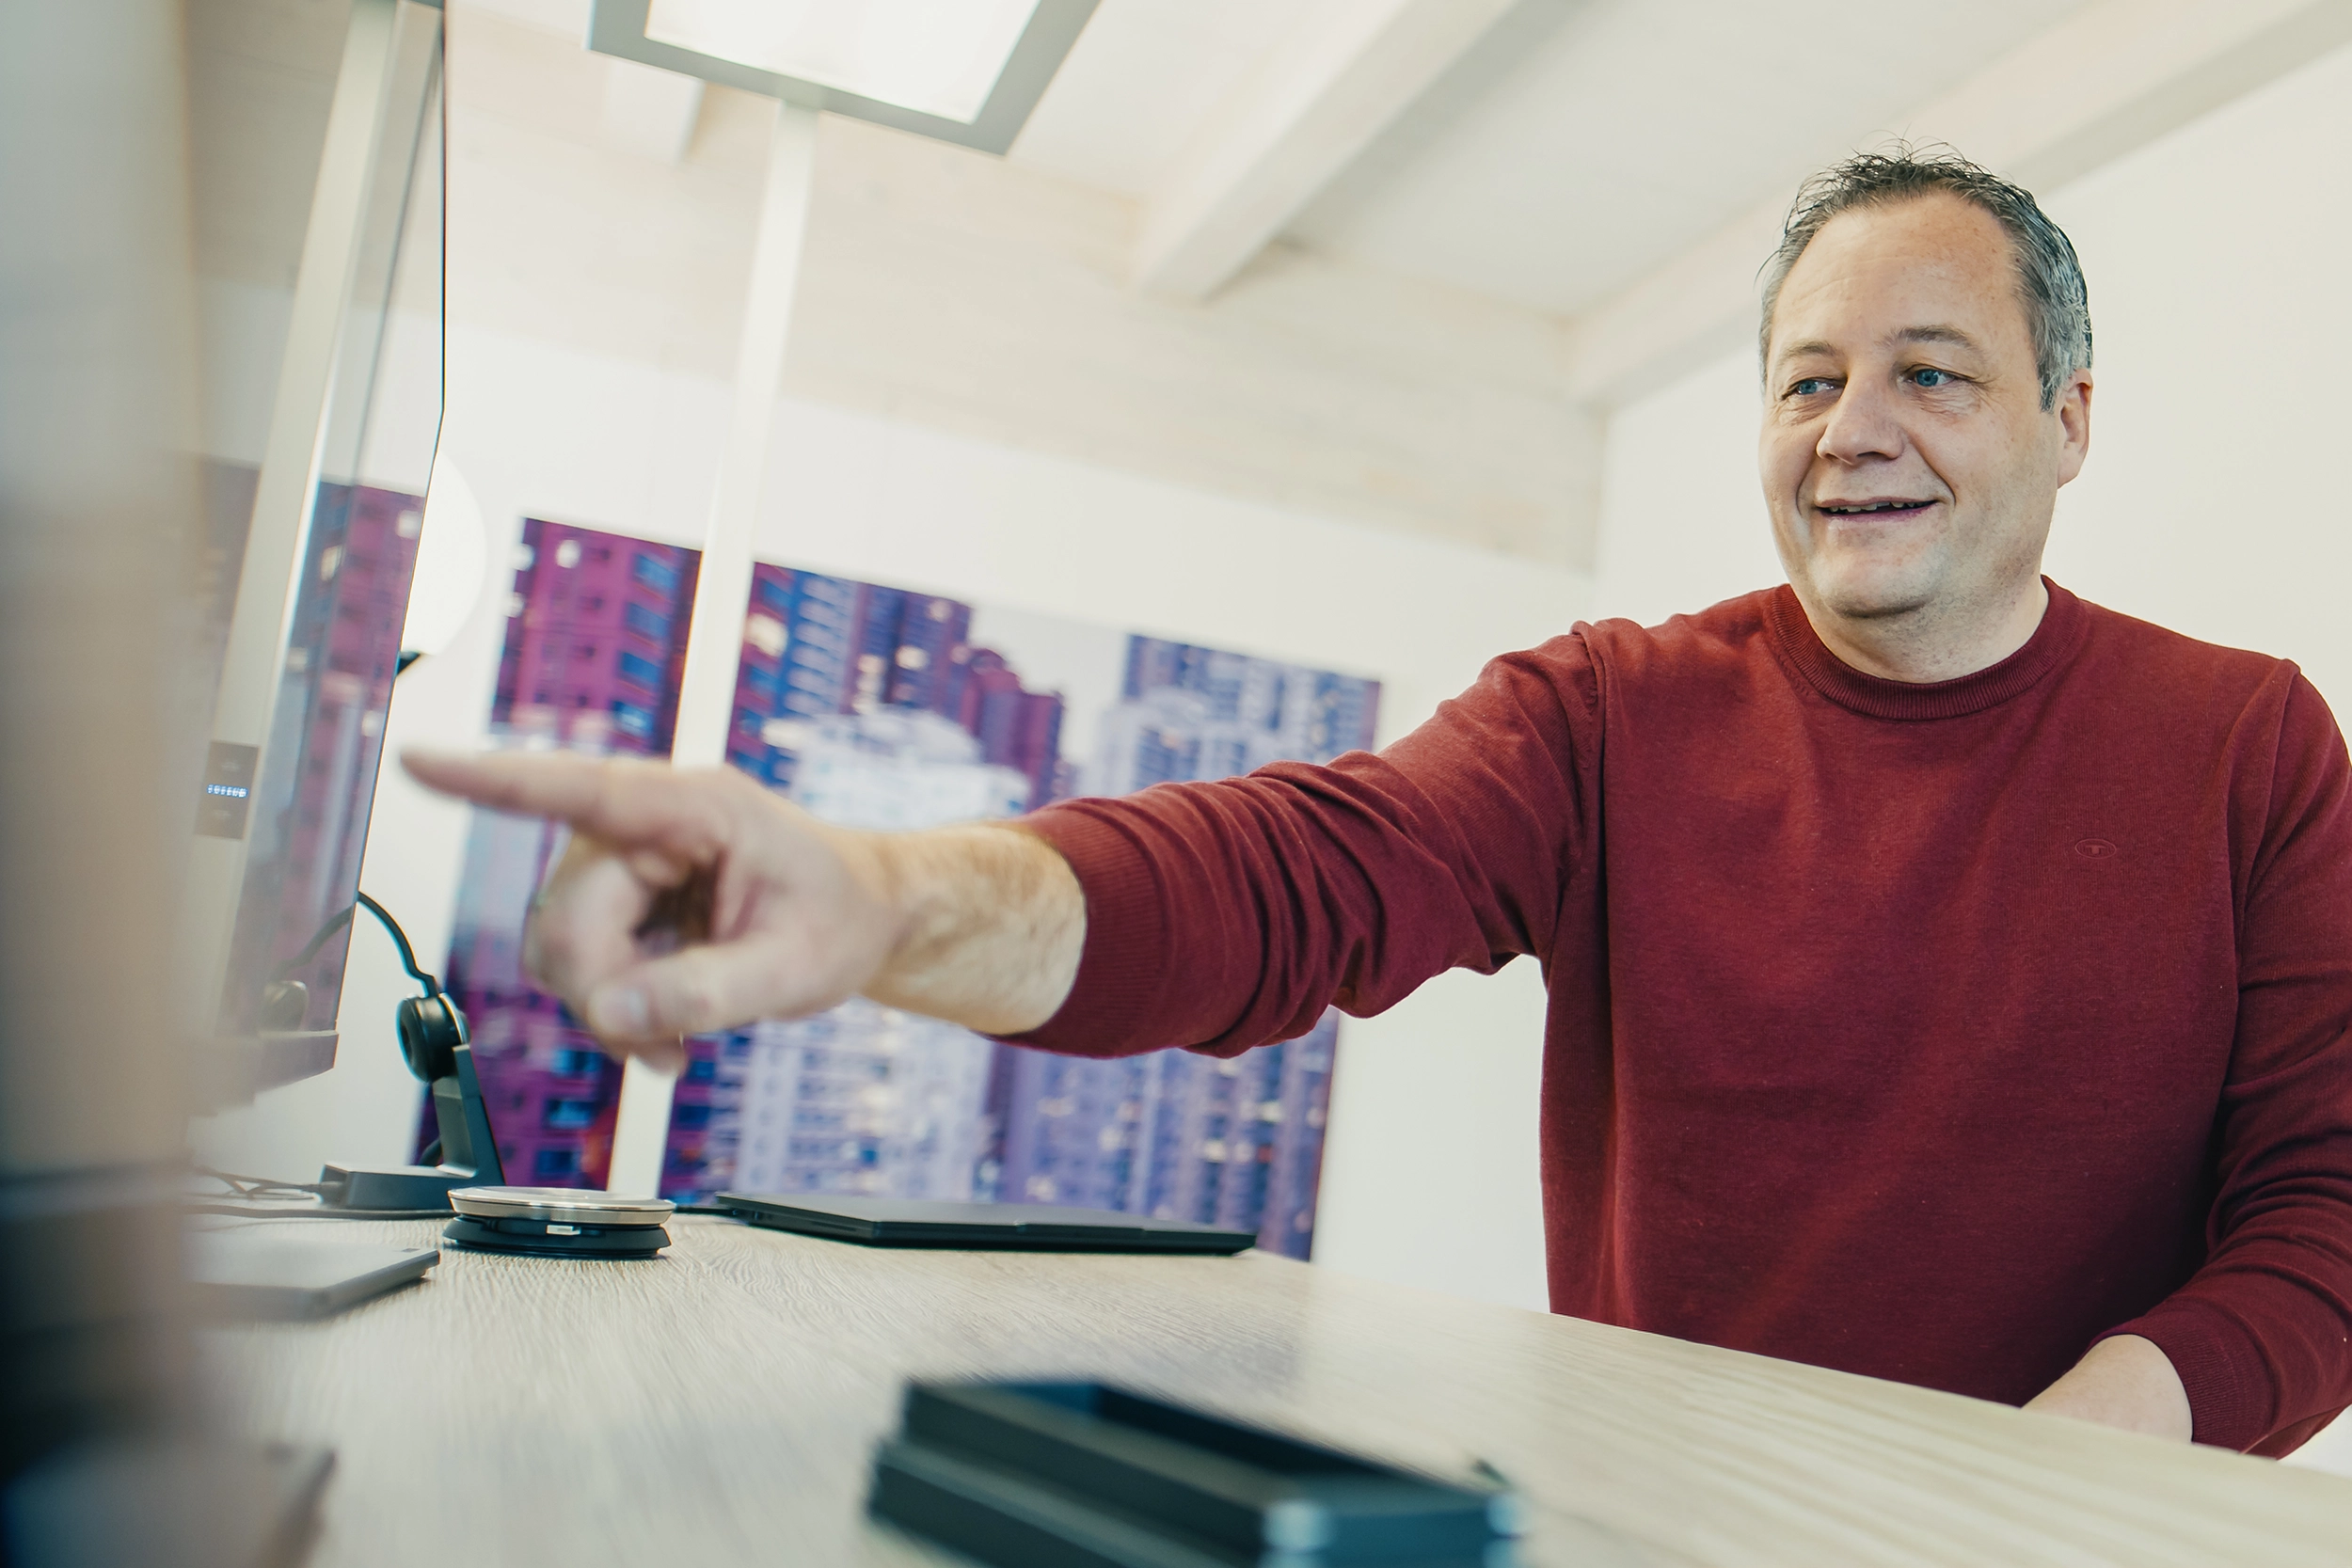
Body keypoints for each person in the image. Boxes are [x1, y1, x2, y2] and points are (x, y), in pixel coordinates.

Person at [406, 149, 2352, 1456]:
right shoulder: (1612, 711)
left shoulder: (2248, 745)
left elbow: (2323, 1223)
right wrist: (882, 898)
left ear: (2068, 415)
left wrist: (2028, 1484)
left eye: (1930, 371)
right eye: (1803, 379)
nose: (1851, 430)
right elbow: (1279, 879)